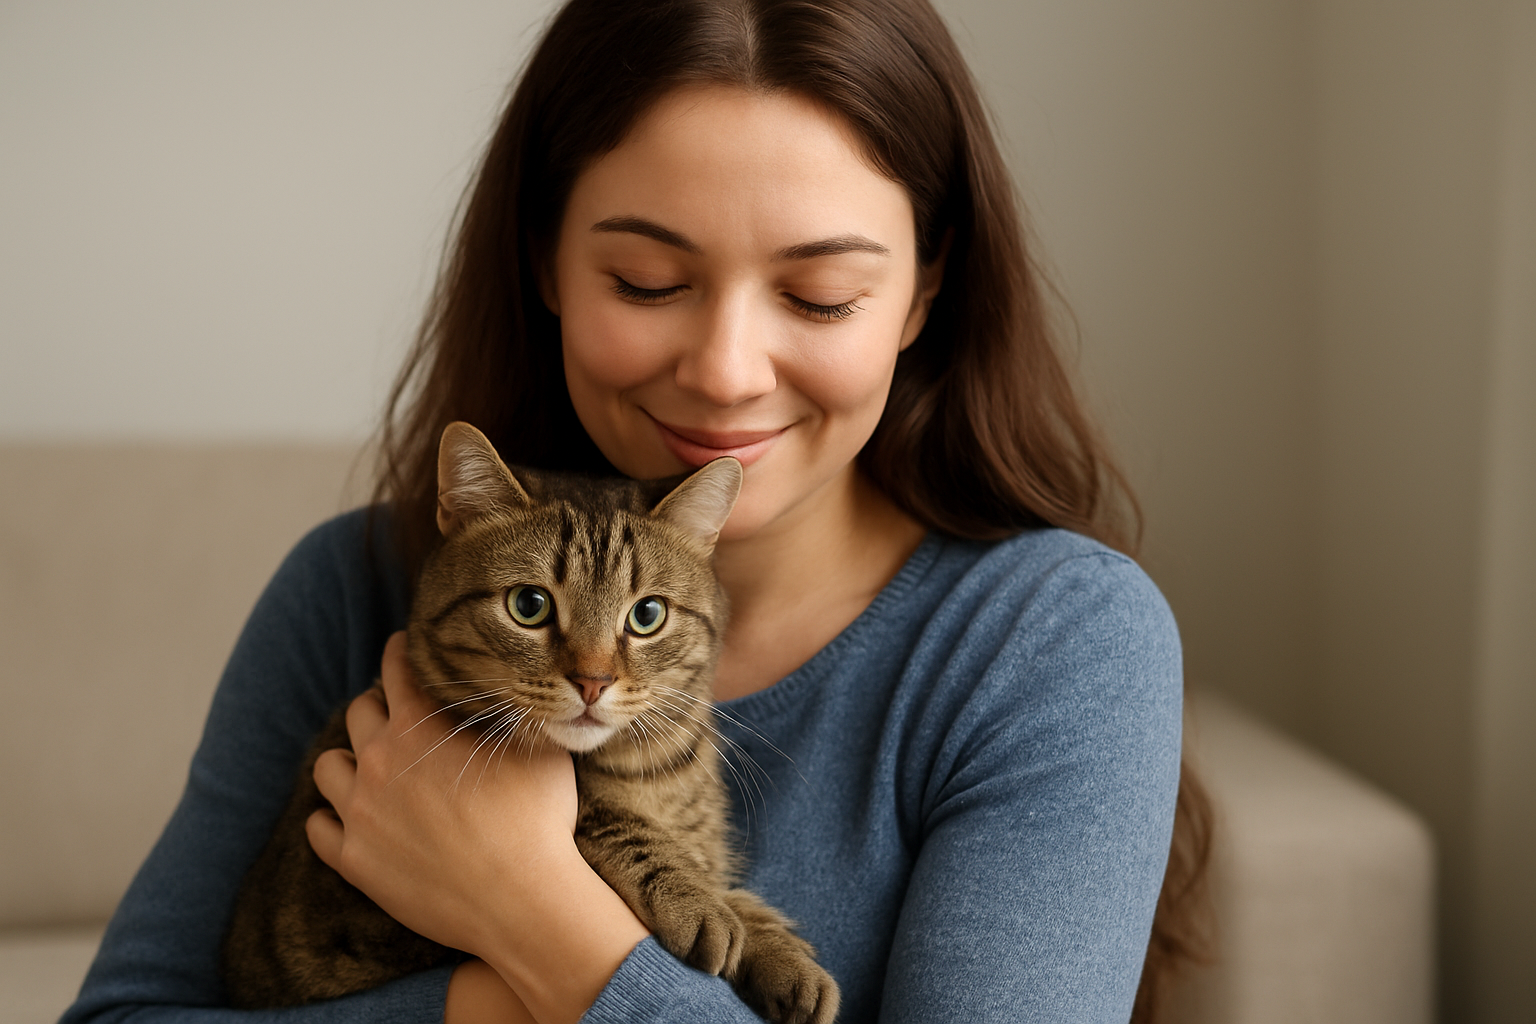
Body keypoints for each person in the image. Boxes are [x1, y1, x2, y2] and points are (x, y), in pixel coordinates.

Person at [63, 1, 1209, 1022]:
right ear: (547, 262)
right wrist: (488, 1001)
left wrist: (543, 923)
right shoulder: (352, 583)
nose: (725, 371)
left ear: (924, 289)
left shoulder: (1052, 640)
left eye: (820, 294)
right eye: (648, 283)